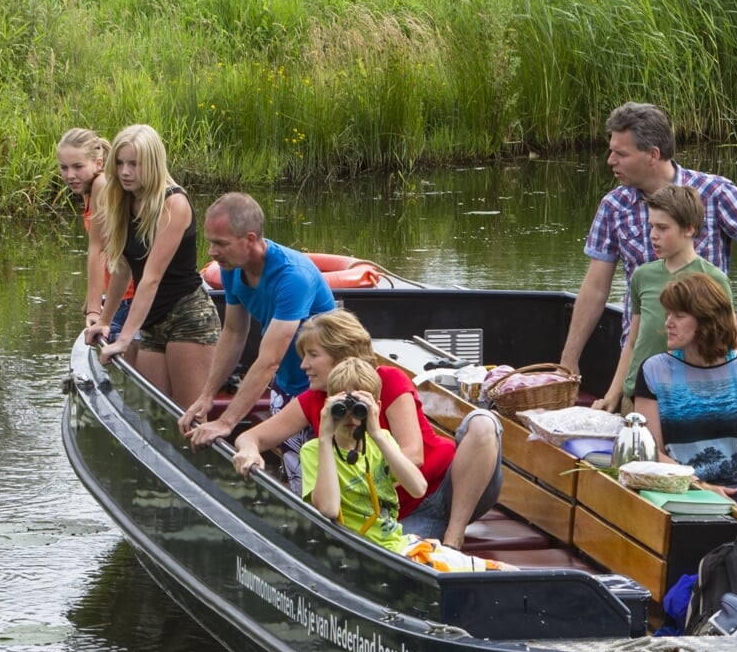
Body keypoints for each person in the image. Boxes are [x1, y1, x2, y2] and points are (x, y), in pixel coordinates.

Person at [227, 311, 502, 548]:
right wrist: (249, 452)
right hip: (397, 512)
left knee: (482, 422)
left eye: (312, 356)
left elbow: (414, 456)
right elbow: (252, 436)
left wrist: (359, 471)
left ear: (342, 356)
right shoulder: (318, 400)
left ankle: (454, 537)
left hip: (450, 487)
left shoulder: (389, 380)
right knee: (390, 559)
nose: (303, 366)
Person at [557, 102, 737, 372]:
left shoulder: (714, 192)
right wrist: (568, 361)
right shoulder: (613, 206)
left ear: (653, 155)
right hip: (641, 359)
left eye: (621, 154)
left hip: (708, 357)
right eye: (611, 152)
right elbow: (595, 288)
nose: (610, 161)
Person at [633, 273, 737, 537]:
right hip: (683, 493)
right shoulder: (655, 371)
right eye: (668, 314)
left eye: (679, 316)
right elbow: (652, 453)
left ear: (707, 320)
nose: (668, 324)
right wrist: (702, 487)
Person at [179, 193, 336, 448]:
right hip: (286, 385)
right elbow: (233, 332)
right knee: (293, 473)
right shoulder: (233, 269)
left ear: (250, 239)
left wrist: (226, 422)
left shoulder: (293, 277)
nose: (212, 251)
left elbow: (270, 360)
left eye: (220, 243)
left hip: (324, 390)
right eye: (210, 243)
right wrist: (207, 395)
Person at [81, 125, 219, 404]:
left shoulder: (173, 202)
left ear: (153, 163)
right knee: (154, 413)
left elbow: (152, 277)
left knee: (188, 415)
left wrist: (124, 340)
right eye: (119, 163)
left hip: (188, 318)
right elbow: (122, 268)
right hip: (152, 322)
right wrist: (105, 321)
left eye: (134, 164)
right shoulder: (125, 201)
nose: (125, 172)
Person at [242, 357, 425, 549]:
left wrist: (377, 433)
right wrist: (325, 437)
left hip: (392, 544)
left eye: (359, 409)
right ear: (327, 406)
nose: (351, 416)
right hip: (351, 549)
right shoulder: (314, 450)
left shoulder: (382, 440)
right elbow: (329, 509)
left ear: (375, 407)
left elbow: (418, 488)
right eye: (342, 409)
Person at [592, 184, 730, 413]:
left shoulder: (714, 280)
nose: (653, 235)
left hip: (686, 400)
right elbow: (634, 341)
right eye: (651, 226)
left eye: (662, 228)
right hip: (636, 397)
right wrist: (613, 393)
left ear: (689, 229)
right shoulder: (642, 276)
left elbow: (727, 347)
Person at [57, 128, 128, 341]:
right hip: (121, 296)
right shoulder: (90, 188)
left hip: (129, 296)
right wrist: (92, 299)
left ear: (98, 163)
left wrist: (95, 311)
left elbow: (99, 249)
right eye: (64, 168)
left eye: (78, 166)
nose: (70, 175)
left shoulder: (101, 184)